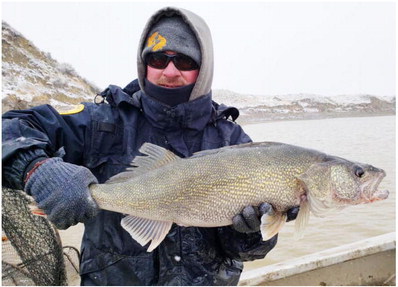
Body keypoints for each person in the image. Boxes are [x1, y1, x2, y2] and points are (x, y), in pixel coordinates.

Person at [2, 7, 298, 286]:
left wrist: (248, 233)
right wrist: (37, 169)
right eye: (158, 59)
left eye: (184, 61)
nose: (170, 71)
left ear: (203, 67)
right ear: (144, 64)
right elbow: (12, 127)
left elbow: (248, 251)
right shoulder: (101, 122)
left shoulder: (233, 141)